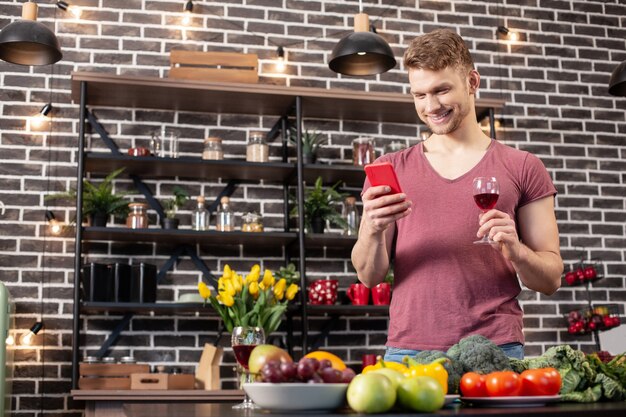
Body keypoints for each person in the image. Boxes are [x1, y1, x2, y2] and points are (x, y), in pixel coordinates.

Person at [351, 29, 563, 362]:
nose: (430, 106)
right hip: (408, 349)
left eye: (441, 90)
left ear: (472, 82)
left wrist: (517, 251)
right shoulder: (389, 168)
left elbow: (551, 278)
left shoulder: (524, 166)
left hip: (496, 348)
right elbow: (368, 275)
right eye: (419, 95)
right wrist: (371, 230)